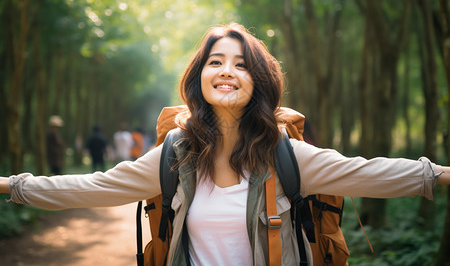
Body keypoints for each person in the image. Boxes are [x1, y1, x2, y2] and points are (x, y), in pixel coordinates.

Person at [1, 23, 449, 265]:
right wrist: (9, 186)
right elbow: (92, 187)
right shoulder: (174, 154)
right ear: (200, 78)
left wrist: (440, 175)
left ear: (260, 81)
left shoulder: (288, 156)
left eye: (241, 63)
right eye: (215, 61)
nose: (227, 70)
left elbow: (370, 172)